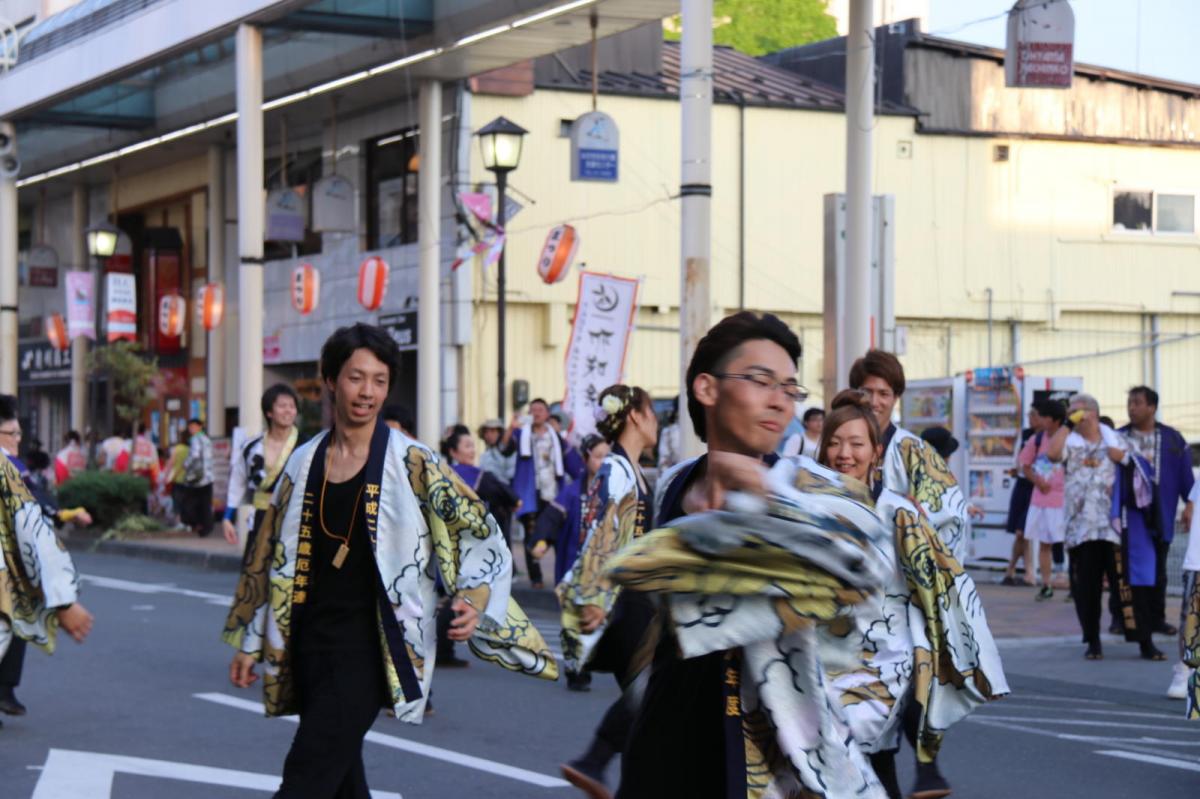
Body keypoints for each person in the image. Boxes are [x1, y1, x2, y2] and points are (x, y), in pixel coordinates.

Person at [223, 323, 556, 798]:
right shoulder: (303, 461)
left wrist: (475, 596)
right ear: (331, 380)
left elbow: (476, 527)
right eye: (357, 378)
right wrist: (252, 640)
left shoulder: (412, 461)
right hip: (312, 638)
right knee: (340, 779)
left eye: (379, 381)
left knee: (306, 776)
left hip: (371, 644)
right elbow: (268, 555)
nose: (367, 393)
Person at [606, 312, 890, 799]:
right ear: (706, 388)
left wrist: (767, 501)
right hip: (662, 750)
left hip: (760, 760)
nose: (779, 400)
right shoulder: (673, 485)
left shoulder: (817, 489)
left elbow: (866, 573)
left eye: (790, 388)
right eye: (761, 380)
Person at [821, 390, 1008, 799]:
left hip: (884, 661)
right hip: (822, 658)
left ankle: (925, 767)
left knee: (855, 760)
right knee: (864, 765)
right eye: (834, 443)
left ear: (876, 451)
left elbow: (938, 574)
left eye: (856, 444)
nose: (844, 454)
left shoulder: (898, 511)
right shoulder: (805, 506)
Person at [557, 385, 659, 797]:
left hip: (635, 598)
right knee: (651, 692)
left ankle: (607, 770)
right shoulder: (615, 469)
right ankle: (593, 759)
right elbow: (601, 534)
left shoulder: (632, 470)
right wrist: (595, 598)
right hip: (624, 601)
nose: (657, 421)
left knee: (651, 710)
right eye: (652, 411)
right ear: (634, 415)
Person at [0, 395, 94, 728]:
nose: (17, 440)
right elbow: (33, 530)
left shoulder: (15, 468)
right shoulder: (6, 469)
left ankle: (5, 689)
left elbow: (38, 507)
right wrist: (63, 600)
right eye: (11, 433)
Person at [1046, 393, 1161, 660]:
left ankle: (1144, 641)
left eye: (1077, 410)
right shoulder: (1070, 441)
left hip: (1114, 528)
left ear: (1092, 413)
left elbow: (1143, 471)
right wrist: (1066, 423)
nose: (1072, 413)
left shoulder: (1116, 439)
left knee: (1127, 588)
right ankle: (1093, 641)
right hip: (1081, 529)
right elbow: (1052, 454)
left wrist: (1122, 458)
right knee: (1087, 590)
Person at [850, 350, 969, 559]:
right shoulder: (836, 445)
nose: (874, 401)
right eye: (866, 392)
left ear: (896, 397)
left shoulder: (917, 451)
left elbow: (951, 517)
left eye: (883, 393)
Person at [1117, 386, 1194, 639]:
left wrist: (1190, 505)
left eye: (1137, 403)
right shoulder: (1118, 438)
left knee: (1158, 570)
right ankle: (1123, 619)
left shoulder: (1173, 439)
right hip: (1125, 517)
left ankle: (1156, 619)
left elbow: (1186, 478)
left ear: (1152, 407)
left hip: (1161, 515)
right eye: (1130, 402)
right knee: (1122, 570)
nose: (1131, 408)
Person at [439, 427, 521, 668]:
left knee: (448, 594)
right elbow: (508, 496)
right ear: (453, 451)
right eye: (466, 446)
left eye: (473, 445)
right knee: (458, 595)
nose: (472, 450)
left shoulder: (442, 473)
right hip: (467, 542)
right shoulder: (475, 475)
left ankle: (443, 648)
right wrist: (514, 501)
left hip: (444, 539)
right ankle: (444, 649)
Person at [222, 384, 302, 550]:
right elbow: (237, 482)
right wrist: (227, 518)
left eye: (292, 406)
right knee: (257, 572)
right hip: (260, 520)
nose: (288, 410)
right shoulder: (251, 448)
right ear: (269, 412)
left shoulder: (307, 446)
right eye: (282, 406)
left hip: (296, 522)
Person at [502, 398, 566, 589]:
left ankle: (561, 576)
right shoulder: (522, 434)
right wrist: (510, 428)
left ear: (547, 413)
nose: (536, 413)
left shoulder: (555, 436)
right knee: (531, 535)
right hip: (530, 493)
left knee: (555, 534)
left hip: (552, 492)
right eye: (533, 410)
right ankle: (536, 578)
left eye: (540, 409)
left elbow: (568, 459)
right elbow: (504, 450)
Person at [1018, 399, 1067, 600]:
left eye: (1044, 417)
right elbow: (1025, 464)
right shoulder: (1036, 440)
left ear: (1055, 420)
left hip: (1064, 500)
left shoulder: (1068, 438)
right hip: (1041, 500)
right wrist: (1038, 482)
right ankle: (1047, 584)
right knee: (1044, 543)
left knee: (1070, 543)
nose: (1040, 421)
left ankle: (1075, 584)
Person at [1002, 407, 1042, 586]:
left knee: (1024, 531)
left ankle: (1028, 573)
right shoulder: (1025, 434)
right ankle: (1014, 571)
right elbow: (1017, 460)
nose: (1031, 418)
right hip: (1022, 485)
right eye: (1030, 415)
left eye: (1034, 415)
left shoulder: (1050, 437)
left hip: (1037, 486)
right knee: (1020, 533)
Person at [1173, 482, 1198, 701]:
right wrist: (1189, 508)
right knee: (1189, 622)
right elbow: (1190, 505)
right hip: (1197, 562)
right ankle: (1184, 671)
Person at [179, 418, 215, 537]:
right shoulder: (206, 439)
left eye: (193, 426)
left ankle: (196, 524)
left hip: (197, 478)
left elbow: (194, 455)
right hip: (208, 476)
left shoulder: (195, 439)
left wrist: (185, 465)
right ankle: (207, 527)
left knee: (191, 502)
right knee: (206, 503)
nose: (191, 429)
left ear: (199, 427)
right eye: (190, 427)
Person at [478, 418, 516, 484]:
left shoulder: (510, 450)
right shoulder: (484, 456)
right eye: (486, 432)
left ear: (500, 433)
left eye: (493, 431)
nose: (489, 435)